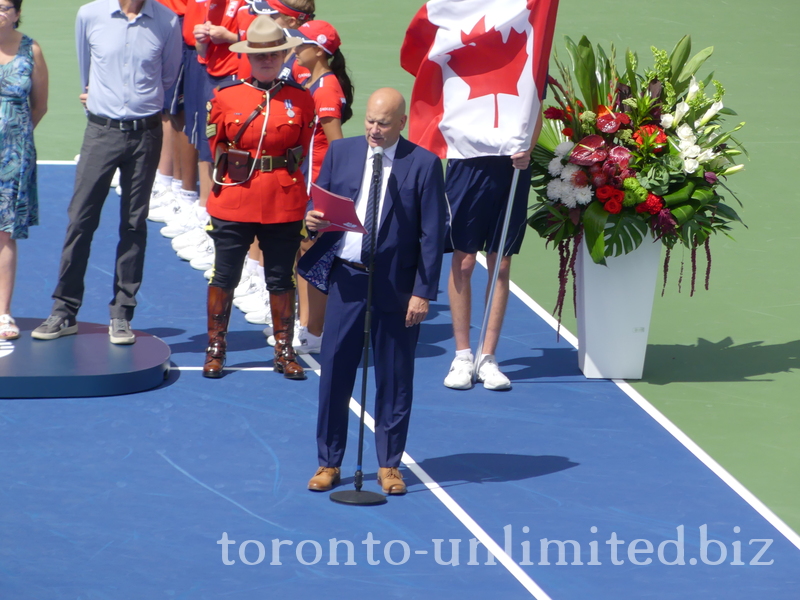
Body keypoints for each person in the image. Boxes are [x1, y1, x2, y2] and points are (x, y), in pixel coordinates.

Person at [299, 88, 446, 495]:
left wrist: (422, 292)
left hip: (396, 286)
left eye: (383, 123)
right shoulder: (341, 152)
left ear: (402, 123)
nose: (374, 129)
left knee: (396, 377)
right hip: (347, 279)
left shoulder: (424, 164)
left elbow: (432, 235)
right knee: (335, 372)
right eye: (369, 120)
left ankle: (389, 465)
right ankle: (328, 461)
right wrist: (312, 222)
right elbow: (321, 212)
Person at [31, 0, 181, 343]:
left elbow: (169, 75)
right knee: (80, 219)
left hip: (146, 135)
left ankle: (122, 314)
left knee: (133, 222)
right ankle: (64, 311)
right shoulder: (89, 14)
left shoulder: (169, 22)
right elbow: (88, 71)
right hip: (101, 133)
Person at [202, 15, 314, 380]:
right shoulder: (225, 97)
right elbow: (216, 146)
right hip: (235, 198)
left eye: (273, 54)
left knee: (281, 278)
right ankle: (216, 347)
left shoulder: (300, 100)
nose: (266, 60)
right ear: (248, 58)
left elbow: (303, 147)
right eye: (259, 55)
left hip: (283, 200)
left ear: (283, 56)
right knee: (225, 276)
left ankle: (284, 349)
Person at [442, 146, 536, 391]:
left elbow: (533, 109)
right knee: (464, 262)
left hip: (512, 166)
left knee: (501, 265)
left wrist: (530, 148)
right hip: (467, 160)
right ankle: (462, 356)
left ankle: (487, 359)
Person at [292, 19, 354, 355]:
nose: (295, 48)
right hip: (307, 183)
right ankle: (306, 327)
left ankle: (315, 331)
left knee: (314, 256)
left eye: (301, 43)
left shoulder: (327, 89)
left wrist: (335, 192)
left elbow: (338, 147)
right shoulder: (311, 78)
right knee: (303, 253)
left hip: (320, 187)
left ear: (318, 51)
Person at [0, 0, 48, 340]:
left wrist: (15, 141)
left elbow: (40, 105)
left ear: (16, 13)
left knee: (4, 234)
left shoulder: (31, 50)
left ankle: (2, 313)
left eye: (4, 8)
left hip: (13, 157)